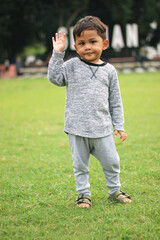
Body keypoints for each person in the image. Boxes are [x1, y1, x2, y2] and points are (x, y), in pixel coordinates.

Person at [48, 16, 132, 208]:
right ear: (76, 47)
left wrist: (118, 125)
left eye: (93, 42)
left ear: (104, 43)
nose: (87, 47)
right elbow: (54, 78)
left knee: (111, 161)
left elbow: (115, 101)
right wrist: (57, 54)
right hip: (77, 128)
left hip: (102, 128)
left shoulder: (109, 71)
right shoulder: (71, 66)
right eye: (81, 43)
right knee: (80, 166)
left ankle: (114, 190)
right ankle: (84, 194)